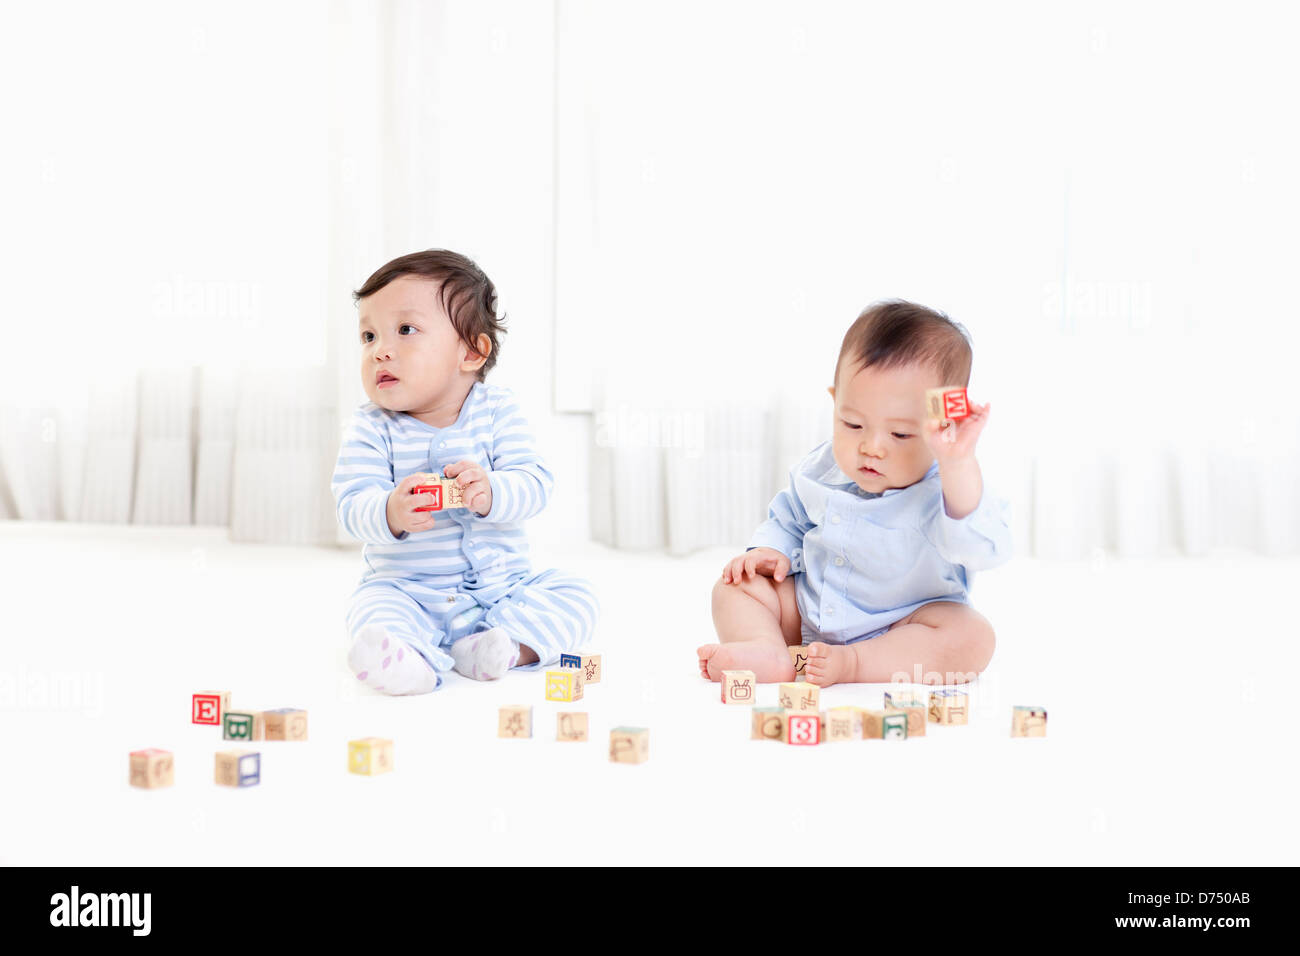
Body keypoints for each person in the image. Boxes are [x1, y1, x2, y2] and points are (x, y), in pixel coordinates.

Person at [699, 300, 1010, 688]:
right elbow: (788, 519)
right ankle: (766, 648)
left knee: (972, 636)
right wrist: (771, 552)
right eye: (853, 423)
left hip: (900, 630)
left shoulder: (946, 487)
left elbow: (979, 549)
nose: (872, 447)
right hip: (809, 614)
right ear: (835, 402)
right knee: (735, 587)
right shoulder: (821, 466)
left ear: (942, 426)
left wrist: (958, 462)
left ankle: (855, 664)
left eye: (899, 434)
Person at [331, 249, 598, 694]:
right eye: (368, 336)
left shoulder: (497, 411)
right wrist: (390, 511)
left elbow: (535, 483)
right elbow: (351, 503)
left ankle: (506, 647)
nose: (380, 351)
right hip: (409, 590)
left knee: (576, 595)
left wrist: (492, 491)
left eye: (405, 330)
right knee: (371, 608)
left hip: (501, 591)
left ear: (472, 352)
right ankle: (410, 661)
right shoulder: (370, 426)